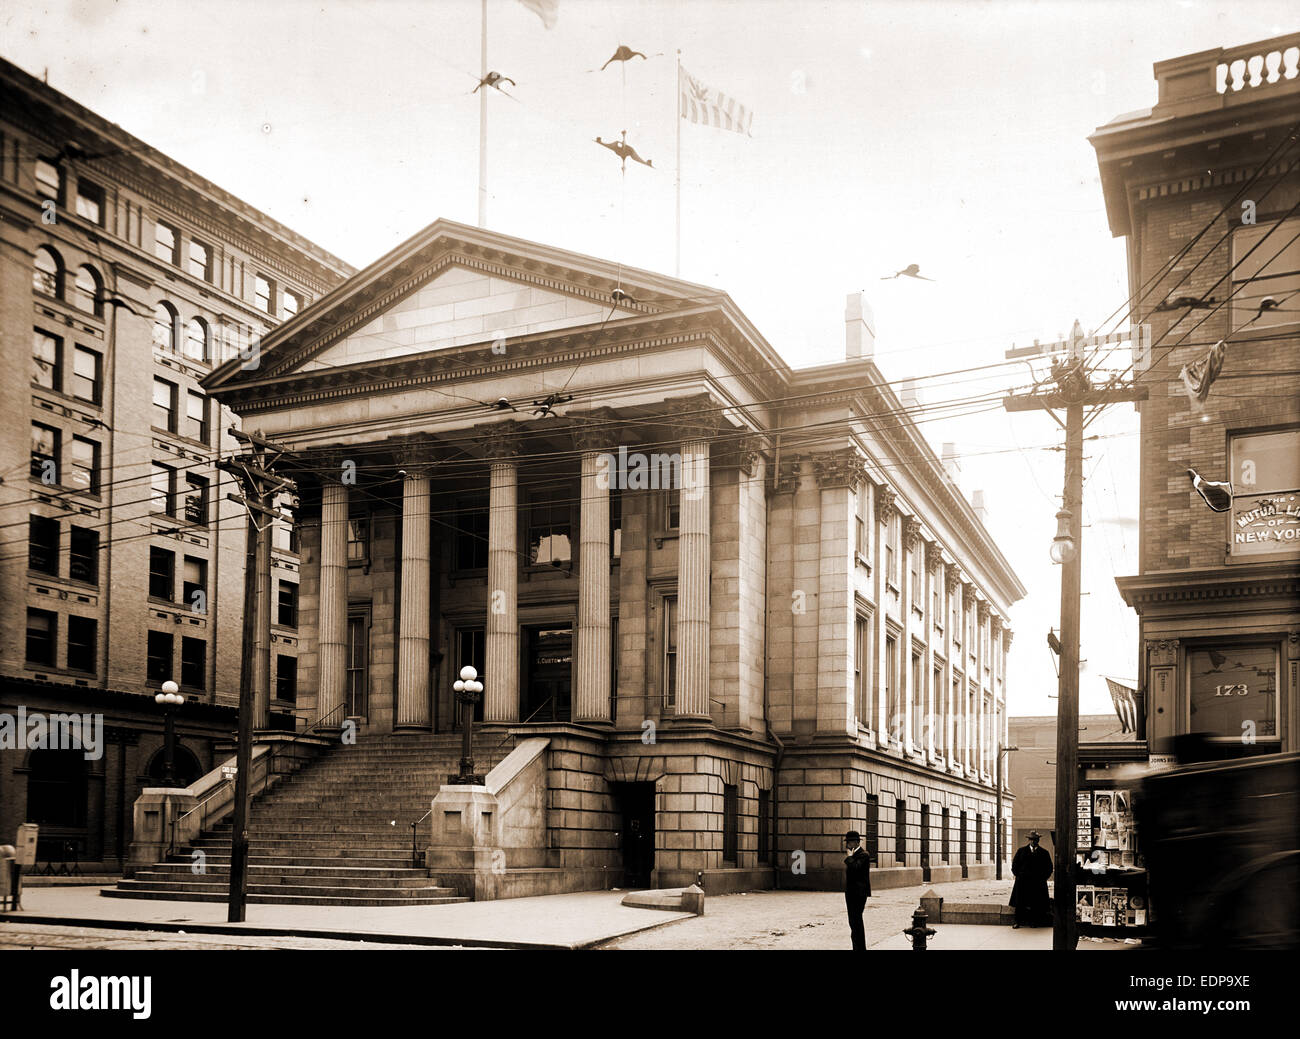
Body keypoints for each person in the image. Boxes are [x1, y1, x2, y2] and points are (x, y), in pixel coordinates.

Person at [1009, 830, 1053, 928]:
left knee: (1036, 903)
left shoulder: (1044, 852)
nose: (1033, 842)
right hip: (1023, 882)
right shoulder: (1021, 851)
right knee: (1020, 903)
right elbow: (1014, 865)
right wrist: (1018, 876)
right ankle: (1017, 922)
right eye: (1031, 840)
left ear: (1038, 840)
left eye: (1035, 840)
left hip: (1037, 882)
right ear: (1029, 840)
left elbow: (1049, 867)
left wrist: (1043, 878)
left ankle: (1034, 922)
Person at [844, 829, 872, 950]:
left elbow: (856, 867)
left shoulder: (864, 854)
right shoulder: (855, 855)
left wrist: (849, 858)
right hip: (851, 893)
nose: (847, 845)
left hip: (859, 893)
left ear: (855, 842)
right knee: (853, 921)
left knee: (856, 921)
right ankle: (857, 946)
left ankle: (860, 947)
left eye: (849, 843)